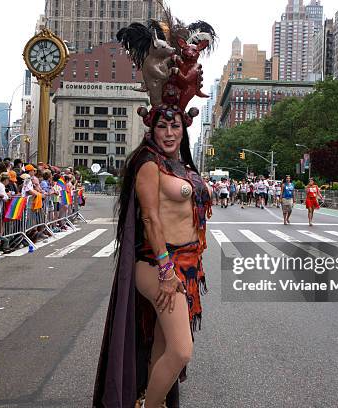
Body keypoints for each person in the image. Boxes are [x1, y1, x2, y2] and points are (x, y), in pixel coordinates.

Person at [94, 16, 216, 408]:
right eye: (162, 126)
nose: (169, 132)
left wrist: (190, 265)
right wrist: (166, 273)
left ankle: (153, 399)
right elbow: (149, 219)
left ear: (184, 129)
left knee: (162, 349)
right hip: (158, 266)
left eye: (175, 126)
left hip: (188, 266)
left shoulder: (183, 167)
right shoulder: (149, 163)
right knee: (181, 351)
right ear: (152, 128)